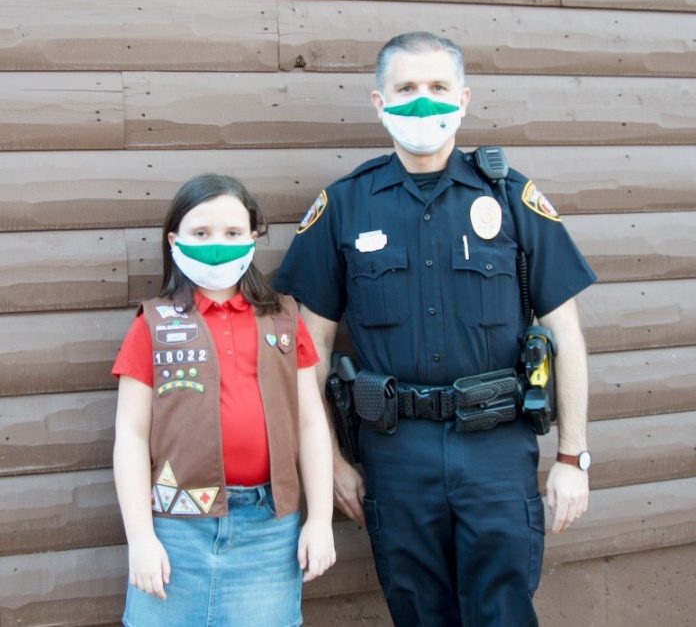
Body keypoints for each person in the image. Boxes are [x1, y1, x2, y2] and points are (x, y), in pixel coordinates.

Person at [274, 32, 596, 626]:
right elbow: (309, 347)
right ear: (378, 101)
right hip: (396, 454)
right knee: (419, 613)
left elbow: (566, 334)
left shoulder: (512, 197)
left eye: (438, 87)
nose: (422, 103)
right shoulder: (344, 206)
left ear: (464, 98)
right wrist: (334, 466)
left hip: (497, 449)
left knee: (503, 611)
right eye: (406, 89)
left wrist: (573, 457)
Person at [112, 173, 335, 627]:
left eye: (233, 233)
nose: (218, 244)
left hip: (269, 529)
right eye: (201, 233)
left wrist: (321, 520)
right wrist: (140, 538)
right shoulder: (153, 324)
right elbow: (131, 436)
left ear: (253, 236)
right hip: (175, 531)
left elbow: (312, 425)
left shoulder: (283, 319)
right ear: (175, 240)